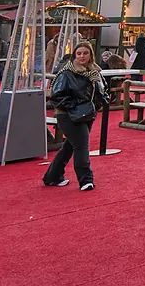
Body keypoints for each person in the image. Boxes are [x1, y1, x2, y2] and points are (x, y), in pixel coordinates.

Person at [43, 42, 106, 191]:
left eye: (85, 53)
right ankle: (86, 180)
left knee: (70, 146)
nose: (82, 56)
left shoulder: (95, 72)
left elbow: (102, 90)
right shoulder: (66, 73)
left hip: (87, 113)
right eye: (79, 53)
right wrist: (76, 105)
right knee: (81, 145)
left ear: (91, 55)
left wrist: (100, 102)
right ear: (74, 55)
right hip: (68, 115)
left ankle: (53, 176)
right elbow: (56, 96)